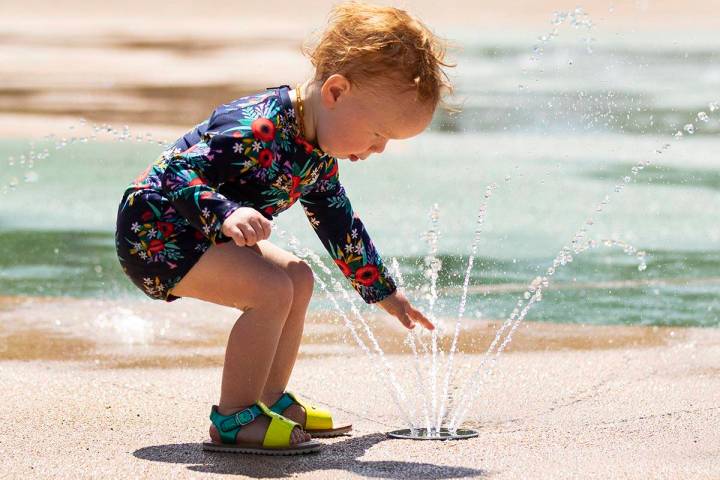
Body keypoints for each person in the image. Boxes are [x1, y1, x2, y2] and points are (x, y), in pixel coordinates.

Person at [114, 1, 453, 455]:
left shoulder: (317, 151)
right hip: (156, 235)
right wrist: (225, 211)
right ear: (335, 92)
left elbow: (338, 223)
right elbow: (175, 172)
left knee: (297, 277)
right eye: (377, 134)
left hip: (200, 234)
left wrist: (383, 291)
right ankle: (234, 418)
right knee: (270, 290)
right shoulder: (258, 126)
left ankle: (268, 398)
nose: (379, 149)